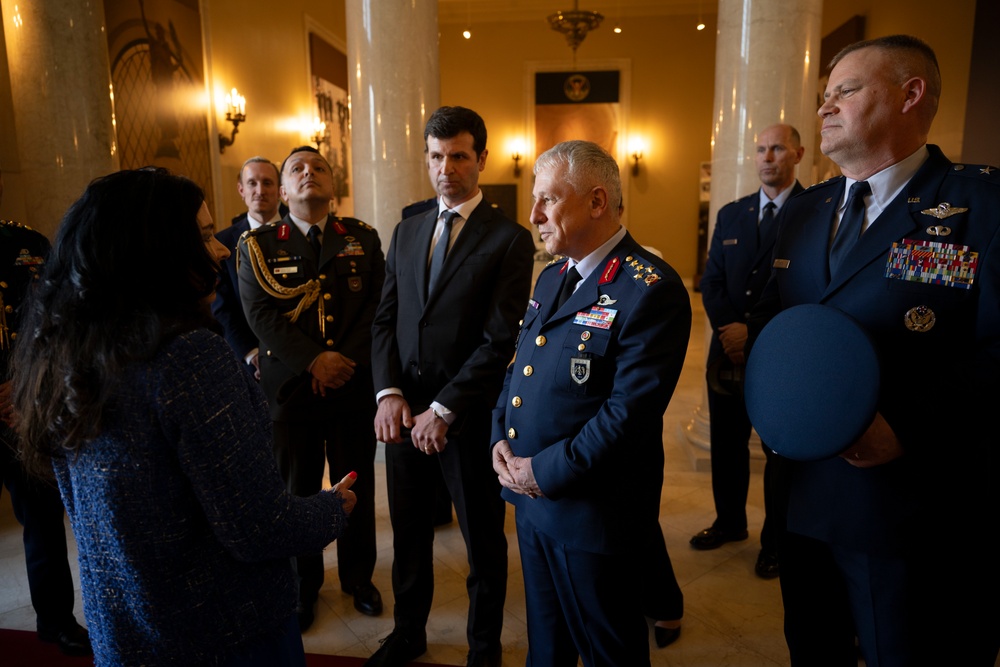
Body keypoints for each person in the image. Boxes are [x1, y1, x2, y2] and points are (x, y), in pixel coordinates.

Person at [9, 167, 358, 666]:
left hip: (127, 630)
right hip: (222, 633)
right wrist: (330, 508)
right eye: (201, 236)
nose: (219, 251)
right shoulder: (190, 357)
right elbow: (257, 528)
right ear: (154, 250)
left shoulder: (68, 353)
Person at [747, 35, 999, 666]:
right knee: (813, 648)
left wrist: (907, 424)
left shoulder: (984, 207)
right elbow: (780, 330)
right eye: (823, 96)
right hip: (805, 498)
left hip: (915, 509)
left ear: (910, 94)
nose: (824, 109)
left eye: (845, 92)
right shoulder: (804, 213)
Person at [492, 140, 692, 666]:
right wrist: (499, 438)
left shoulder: (649, 288)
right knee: (547, 647)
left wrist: (542, 471)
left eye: (548, 200)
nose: (533, 215)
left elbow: (628, 415)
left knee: (608, 650)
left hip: (592, 514)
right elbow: (519, 370)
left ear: (597, 202)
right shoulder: (553, 275)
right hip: (533, 503)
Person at [368, 106, 534, 667]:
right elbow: (386, 319)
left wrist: (444, 409)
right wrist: (388, 392)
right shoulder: (408, 227)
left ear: (481, 159)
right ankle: (407, 632)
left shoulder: (510, 239)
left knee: (483, 542)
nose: (446, 168)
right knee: (409, 535)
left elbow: (498, 340)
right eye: (436, 156)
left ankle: (483, 647)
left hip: (464, 417)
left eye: (459, 156)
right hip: (404, 412)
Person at [238, 146, 385, 631]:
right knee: (296, 494)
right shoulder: (258, 245)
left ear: (332, 184)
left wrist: (341, 362)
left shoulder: (360, 237)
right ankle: (303, 587)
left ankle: (358, 578)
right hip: (291, 393)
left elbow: (376, 309)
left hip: (350, 386)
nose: (308, 174)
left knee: (354, 485)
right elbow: (259, 315)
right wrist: (314, 361)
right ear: (283, 190)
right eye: (297, 170)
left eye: (318, 167)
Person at [691, 123, 804, 579]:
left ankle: (775, 542)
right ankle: (729, 522)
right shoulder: (733, 213)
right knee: (726, 445)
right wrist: (729, 330)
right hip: (726, 354)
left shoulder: (814, 210)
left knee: (779, 453)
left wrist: (751, 332)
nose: (767, 157)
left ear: (797, 153)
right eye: (760, 149)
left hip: (780, 354)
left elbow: (807, 289)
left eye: (777, 148)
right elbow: (711, 280)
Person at [0, 167, 91, 657]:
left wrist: (30, 384)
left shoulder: (29, 244)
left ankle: (55, 620)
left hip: (25, 414)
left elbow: (62, 320)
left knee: (43, 523)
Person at [212, 156, 284, 379]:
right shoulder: (222, 243)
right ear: (241, 189)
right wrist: (252, 354)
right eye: (252, 183)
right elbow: (221, 307)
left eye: (268, 183)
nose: (260, 190)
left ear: (281, 190)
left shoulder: (300, 234)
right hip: (247, 366)